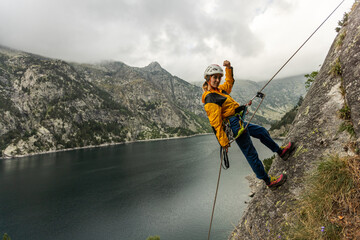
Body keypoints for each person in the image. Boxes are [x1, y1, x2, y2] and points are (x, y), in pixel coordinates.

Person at [202, 60, 294, 188]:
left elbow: (228, 84)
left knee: (261, 131)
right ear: (207, 78)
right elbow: (215, 123)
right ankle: (269, 181)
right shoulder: (210, 98)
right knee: (250, 152)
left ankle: (281, 152)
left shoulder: (219, 91)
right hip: (234, 125)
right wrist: (223, 142)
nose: (217, 80)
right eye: (214, 77)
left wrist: (228, 68)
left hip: (238, 121)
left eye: (219, 77)